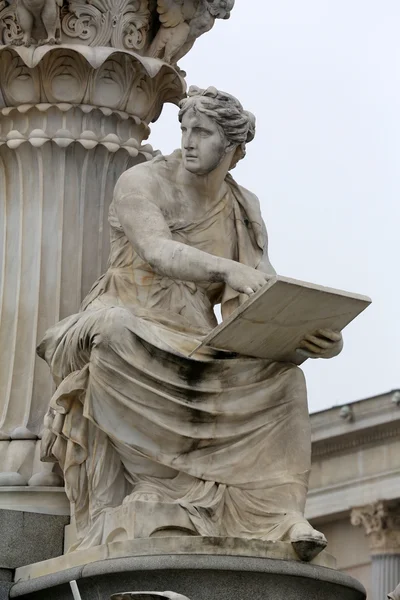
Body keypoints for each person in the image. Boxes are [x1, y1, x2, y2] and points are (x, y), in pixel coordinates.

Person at [38, 86, 343, 556]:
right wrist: (226, 269)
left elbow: (259, 287)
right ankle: (157, 490)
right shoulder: (142, 183)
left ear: (233, 149)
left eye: (202, 132)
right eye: (185, 129)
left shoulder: (243, 206)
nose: (188, 141)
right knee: (113, 333)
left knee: (287, 381)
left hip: (198, 338)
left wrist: (309, 333)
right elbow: (158, 251)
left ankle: (279, 515)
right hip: (132, 317)